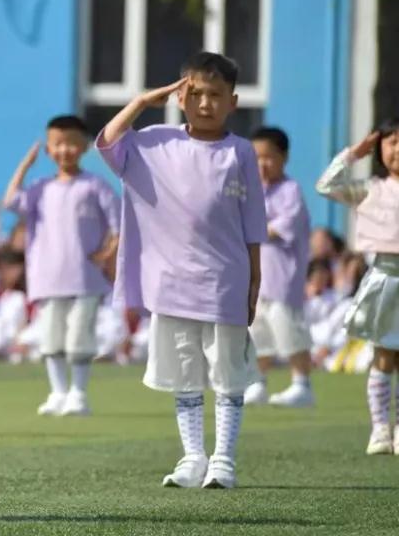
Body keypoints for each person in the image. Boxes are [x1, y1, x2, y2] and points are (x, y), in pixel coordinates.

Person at [96, 52, 266, 489]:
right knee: (184, 372)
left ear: (233, 100)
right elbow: (109, 143)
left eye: (215, 95)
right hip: (170, 283)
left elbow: (253, 223)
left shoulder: (240, 152)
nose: (205, 103)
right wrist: (141, 102)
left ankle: (223, 460)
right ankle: (193, 457)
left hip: (224, 281)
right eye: (195, 93)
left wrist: (254, 278)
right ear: (179, 94)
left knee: (228, 371)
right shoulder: (154, 142)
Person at [4, 115, 119, 416]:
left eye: (70, 143)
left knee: (80, 337)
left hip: (85, 277)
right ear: (48, 149)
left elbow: (119, 227)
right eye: (56, 144)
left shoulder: (95, 186)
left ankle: (78, 393)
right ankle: (57, 392)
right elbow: (10, 202)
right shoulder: (40, 187)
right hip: (48, 276)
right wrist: (25, 167)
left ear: (83, 146)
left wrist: (106, 255)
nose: (64, 150)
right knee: (51, 338)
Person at [316, 118, 399, 454]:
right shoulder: (369, 189)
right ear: (379, 148)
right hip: (383, 277)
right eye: (392, 141)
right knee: (383, 353)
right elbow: (325, 185)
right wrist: (353, 154)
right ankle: (380, 428)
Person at [243, 127, 313, 407]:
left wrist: (245, 230)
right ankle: (258, 382)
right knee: (257, 333)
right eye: (256, 157)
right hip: (254, 279)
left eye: (269, 157)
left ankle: (302, 385)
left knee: (289, 332)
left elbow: (278, 229)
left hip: (284, 278)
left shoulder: (290, 191)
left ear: (283, 157)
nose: (262, 164)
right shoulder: (249, 190)